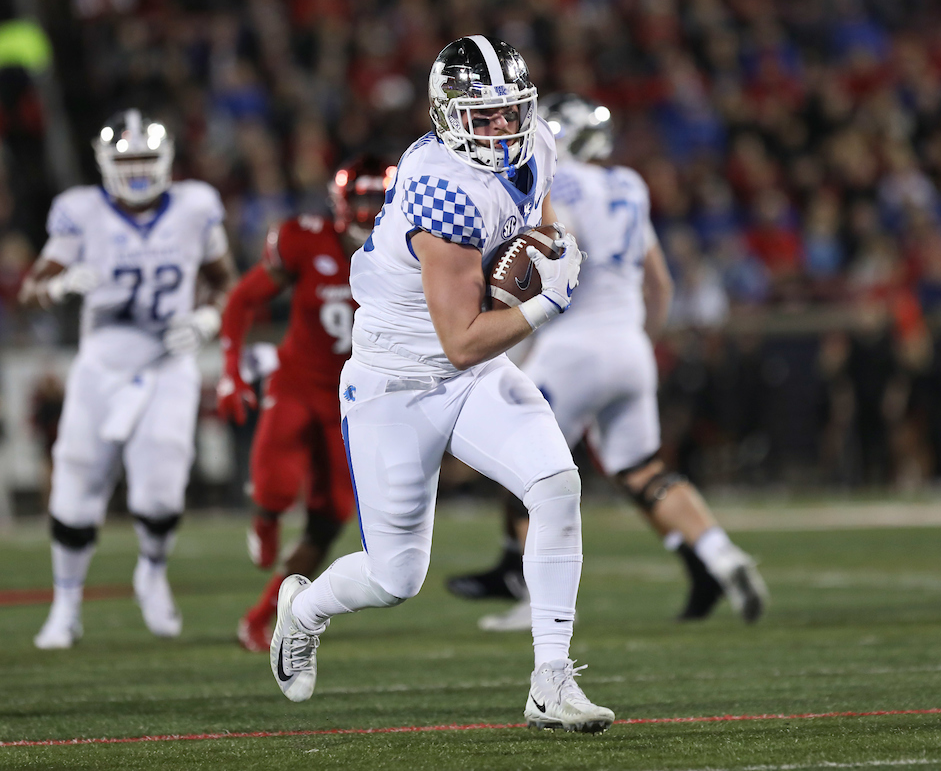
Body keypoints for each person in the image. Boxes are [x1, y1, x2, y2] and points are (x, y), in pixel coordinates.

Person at [268, 36, 613, 733]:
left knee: (555, 484)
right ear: (445, 115)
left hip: (473, 369)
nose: (500, 129)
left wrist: (546, 256)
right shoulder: (441, 186)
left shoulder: (536, 144)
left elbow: (535, 227)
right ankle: (300, 610)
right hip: (398, 381)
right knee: (396, 578)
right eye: (481, 117)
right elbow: (459, 341)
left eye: (508, 111)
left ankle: (550, 679)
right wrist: (546, 302)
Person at [448, 94, 768, 632]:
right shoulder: (630, 185)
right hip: (629, 345)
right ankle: (719, 553)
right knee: (643, 469)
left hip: (573, 346)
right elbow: (659, 283)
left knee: (526, 466)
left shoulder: (556, 182)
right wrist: (641, 342)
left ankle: (528, 593)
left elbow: (543, 258)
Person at [18, 109, 235, 649]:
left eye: (144, 158)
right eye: (127, 159)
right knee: (74, 488)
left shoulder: (194, 205)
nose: (136, 170)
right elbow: (32, 289)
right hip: (102, 367)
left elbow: (225, 283)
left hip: (167, 365)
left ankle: (152, 572)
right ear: (105, 161)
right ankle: (65, 605)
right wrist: (64, 281)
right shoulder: (80, 211)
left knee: (161, 494)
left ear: (164, 161)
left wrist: (208, 319)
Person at [216, 155, 391, 652]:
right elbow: (242, 299)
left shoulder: (412, 249)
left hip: (355, 398)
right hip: (299, 381)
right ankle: (266, 516)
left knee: (331, 516)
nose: (371, 210)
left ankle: (264, 613)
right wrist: (231, 372)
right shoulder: (303, 237)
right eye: (362, 200)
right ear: (340, 204)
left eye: (380, 198)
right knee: (275, 482)